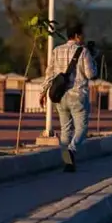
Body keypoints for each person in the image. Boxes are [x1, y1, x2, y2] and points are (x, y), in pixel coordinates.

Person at [39, 20, 97, 172]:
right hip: (78, 95)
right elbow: (91, 74)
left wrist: (43, 92)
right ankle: (71, 149)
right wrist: (93, 57)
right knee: (81, 129)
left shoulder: (57, 50)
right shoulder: (83, 51)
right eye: (82, 35)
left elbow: (49, 73)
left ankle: (67, 163)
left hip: (61, 96)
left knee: (65, 130)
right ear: (77, 36)